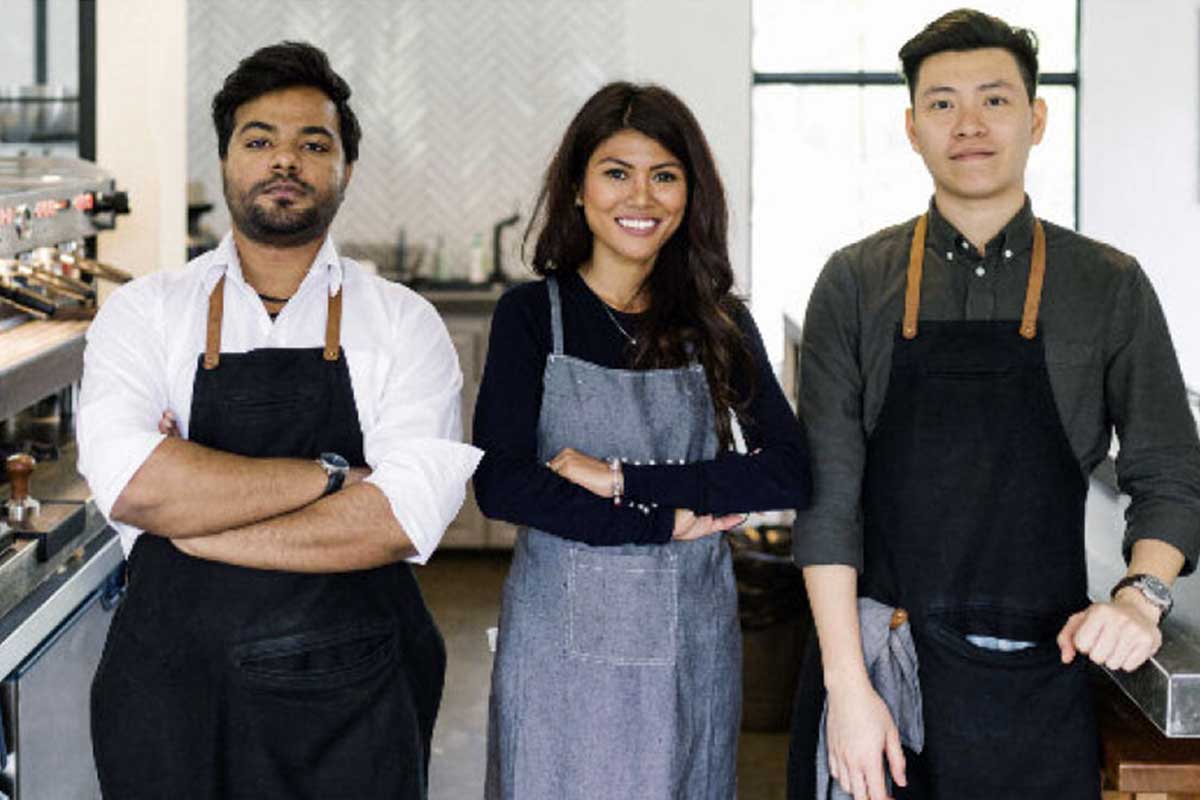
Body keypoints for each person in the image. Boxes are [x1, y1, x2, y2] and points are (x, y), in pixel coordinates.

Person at [788, 9, 1200, 800]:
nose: (968, 124)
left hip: (1037, 677)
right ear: (912, 127)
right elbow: (828, 500)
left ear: (1036, 118)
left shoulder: (1107, 285)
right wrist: (847, 689)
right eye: (942, 103)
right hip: (880, 671)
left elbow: (1172, 472)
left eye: (995, 100)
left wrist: (1141, 596)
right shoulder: (854, 282)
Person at [77, 42, 481, 799]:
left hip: (351, 700)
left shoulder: (402, 323)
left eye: (313, 144)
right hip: (175, 696)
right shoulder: (147, 312)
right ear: (228, 160)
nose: (284, 161)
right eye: (259, 140)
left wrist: (198, 519)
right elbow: (134, 486)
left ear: (344, 170)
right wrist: (331, 478)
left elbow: (400, 517)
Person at [474, 81, 812, 798]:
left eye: (665, 175)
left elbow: (787, 473)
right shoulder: (534, 315)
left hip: (689, 633)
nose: (642, 196)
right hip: (557, 641)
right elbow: (501, 480)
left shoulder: (719, 323)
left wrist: (627, 480)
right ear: (577, 188)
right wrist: (662, 522)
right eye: (617, 172)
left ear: (691, 194)